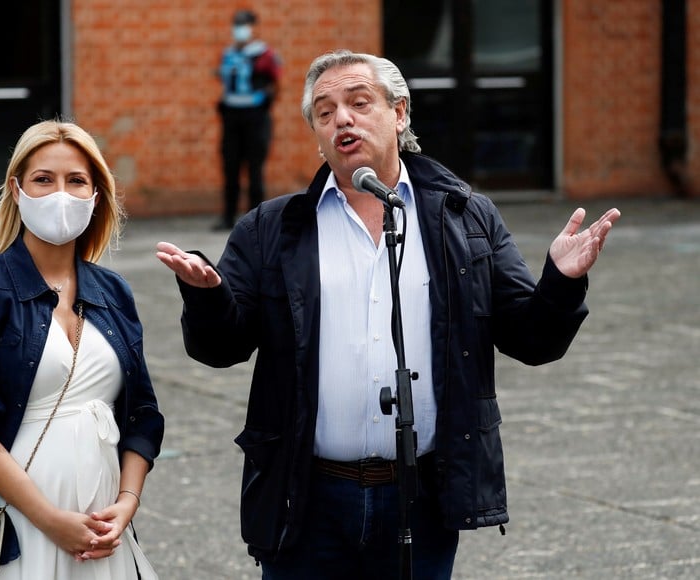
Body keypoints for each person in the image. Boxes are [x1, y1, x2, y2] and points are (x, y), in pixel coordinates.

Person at [156, 50, 620, 579]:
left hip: (419, 497)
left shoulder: (463, 216)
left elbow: (532, 340)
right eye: (325, 113)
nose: (342, 120)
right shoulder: (272, 228)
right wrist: (208, 297)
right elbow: (221, 348)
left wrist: (560, 281)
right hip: (305, 498)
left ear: (400, 114)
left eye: (358, 103)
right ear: (317, 134)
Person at [0, 119, 164, 579]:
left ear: (96, 195)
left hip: (101, 525)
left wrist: (126, 505)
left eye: (76, 180)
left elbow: (143, 415)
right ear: (17, 191)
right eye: (44, 179)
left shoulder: (113, 291)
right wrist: (49, 519)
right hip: (17, 520)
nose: (61, 193)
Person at [213, 8, 282, 230]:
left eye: (243, 25)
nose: (239, 30)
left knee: (255, 169)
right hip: (232, 117)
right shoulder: (228, 53)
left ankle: (256, 218)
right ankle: (228, 216)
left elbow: (276, 84)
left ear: (253, 27)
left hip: (256, 117)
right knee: (230, 167)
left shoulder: (265, 54)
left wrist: (264, 105)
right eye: (237, 25)